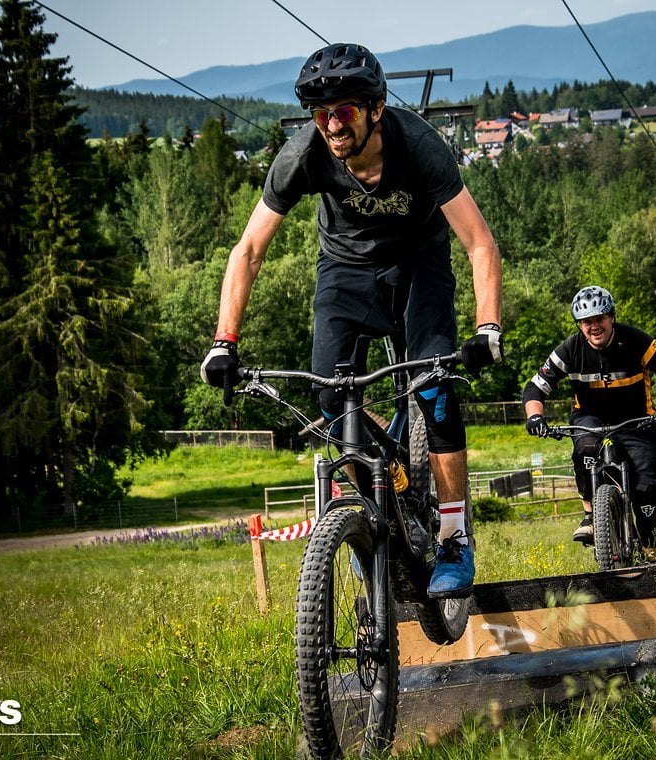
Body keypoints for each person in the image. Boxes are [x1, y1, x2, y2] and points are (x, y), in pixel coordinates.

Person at [200, 43, 503, 598]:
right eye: (320, 113)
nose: (332, 125)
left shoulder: (420, 148)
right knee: (332, 400)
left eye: (344, 111)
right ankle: (374, 520)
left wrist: (488, 329)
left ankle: (456, 536)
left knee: (435, 392)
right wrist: (224, 341)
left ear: (375, 109)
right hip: (345, 267)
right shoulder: (302, 157)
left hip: (419, 262)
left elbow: (480, 242)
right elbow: (247, 251)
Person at [521, 286, 656, 561]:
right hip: (590, 418)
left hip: (637, 420)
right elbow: (535, 388)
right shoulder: (570, 348)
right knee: (585, 448)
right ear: (580, 325)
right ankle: (590, 515)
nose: (594, 326)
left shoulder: (635, 340)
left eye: (599, 318)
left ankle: (651, 558)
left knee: (645, 493)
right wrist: (535, 417)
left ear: (611, 317)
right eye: (587, 322)